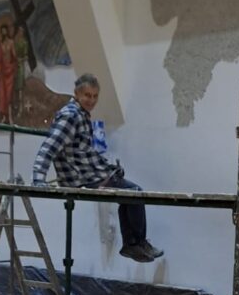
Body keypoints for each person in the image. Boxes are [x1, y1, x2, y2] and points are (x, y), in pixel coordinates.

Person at [32, 73, 163, 263]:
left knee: (130, 196)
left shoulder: (82, 115)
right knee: (135, 193)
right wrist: (38, 179)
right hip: (83, 178)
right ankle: (135, 244)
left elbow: (85, 153)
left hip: (91, 173)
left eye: (95, 96)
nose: (91, 100)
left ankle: (133, 244)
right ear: (77, 94)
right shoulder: (70, 116)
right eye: (87, 95)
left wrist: (109, 168)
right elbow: (48, 148)